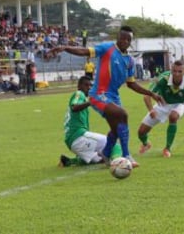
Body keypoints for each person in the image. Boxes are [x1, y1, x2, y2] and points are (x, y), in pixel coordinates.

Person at [48, 26, 164, 168]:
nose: (125, 41)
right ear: (117, 37)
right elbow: (85, 51)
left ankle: (106, 153)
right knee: (123, 114)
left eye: (128, 39)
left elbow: (132, 84)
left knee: (116, 129)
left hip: (114, 96)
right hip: (98, 94)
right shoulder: (107, 48)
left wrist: (151, 94)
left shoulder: (130, 61)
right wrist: (64, 47)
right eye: (123, 38)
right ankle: (126, 155)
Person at [138, 60, 184, 158]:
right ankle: (146, 144)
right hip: (162, 103)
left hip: (180, 103)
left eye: (180, 71)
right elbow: (147, 95)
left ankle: (167, 148)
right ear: (171, 70)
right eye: (174, 71)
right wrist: (151, 110)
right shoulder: (163, 79)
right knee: (141, 132)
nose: (176, 74)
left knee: (173, 116)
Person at [60, 76, 122, 167]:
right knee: (113, 142)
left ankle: (69, 162)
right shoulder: (79, 93)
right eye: (86, 85)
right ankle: (119, 163)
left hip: (72, 141)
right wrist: (92, 102)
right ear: (79, 86)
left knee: (100, 159)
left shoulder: (83, 99)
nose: (89, 88)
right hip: (78, 136)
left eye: (90, 86)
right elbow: (74, 107)